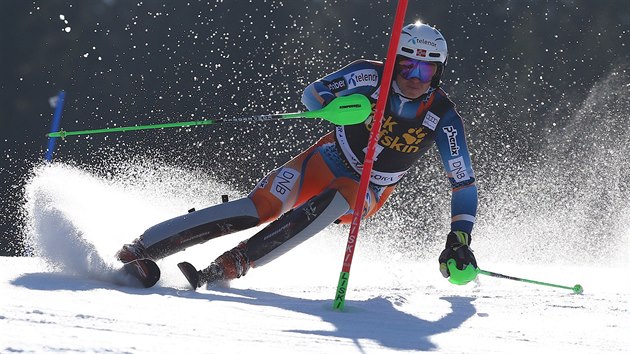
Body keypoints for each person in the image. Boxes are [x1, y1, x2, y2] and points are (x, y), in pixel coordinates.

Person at [116, 22, 479, 288]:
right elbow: (313, 94)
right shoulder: (369, 76)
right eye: (407, 66)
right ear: (395, 62)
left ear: (438, 71)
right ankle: (142, 248)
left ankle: (235, 262)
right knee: (258, 208)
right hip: (324, 159)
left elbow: (462, 184)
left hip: (369, 188)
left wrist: (458, 239)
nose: (415, 77)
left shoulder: (443, 117)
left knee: (341, 196)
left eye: (426, 69)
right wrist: (333, 108)